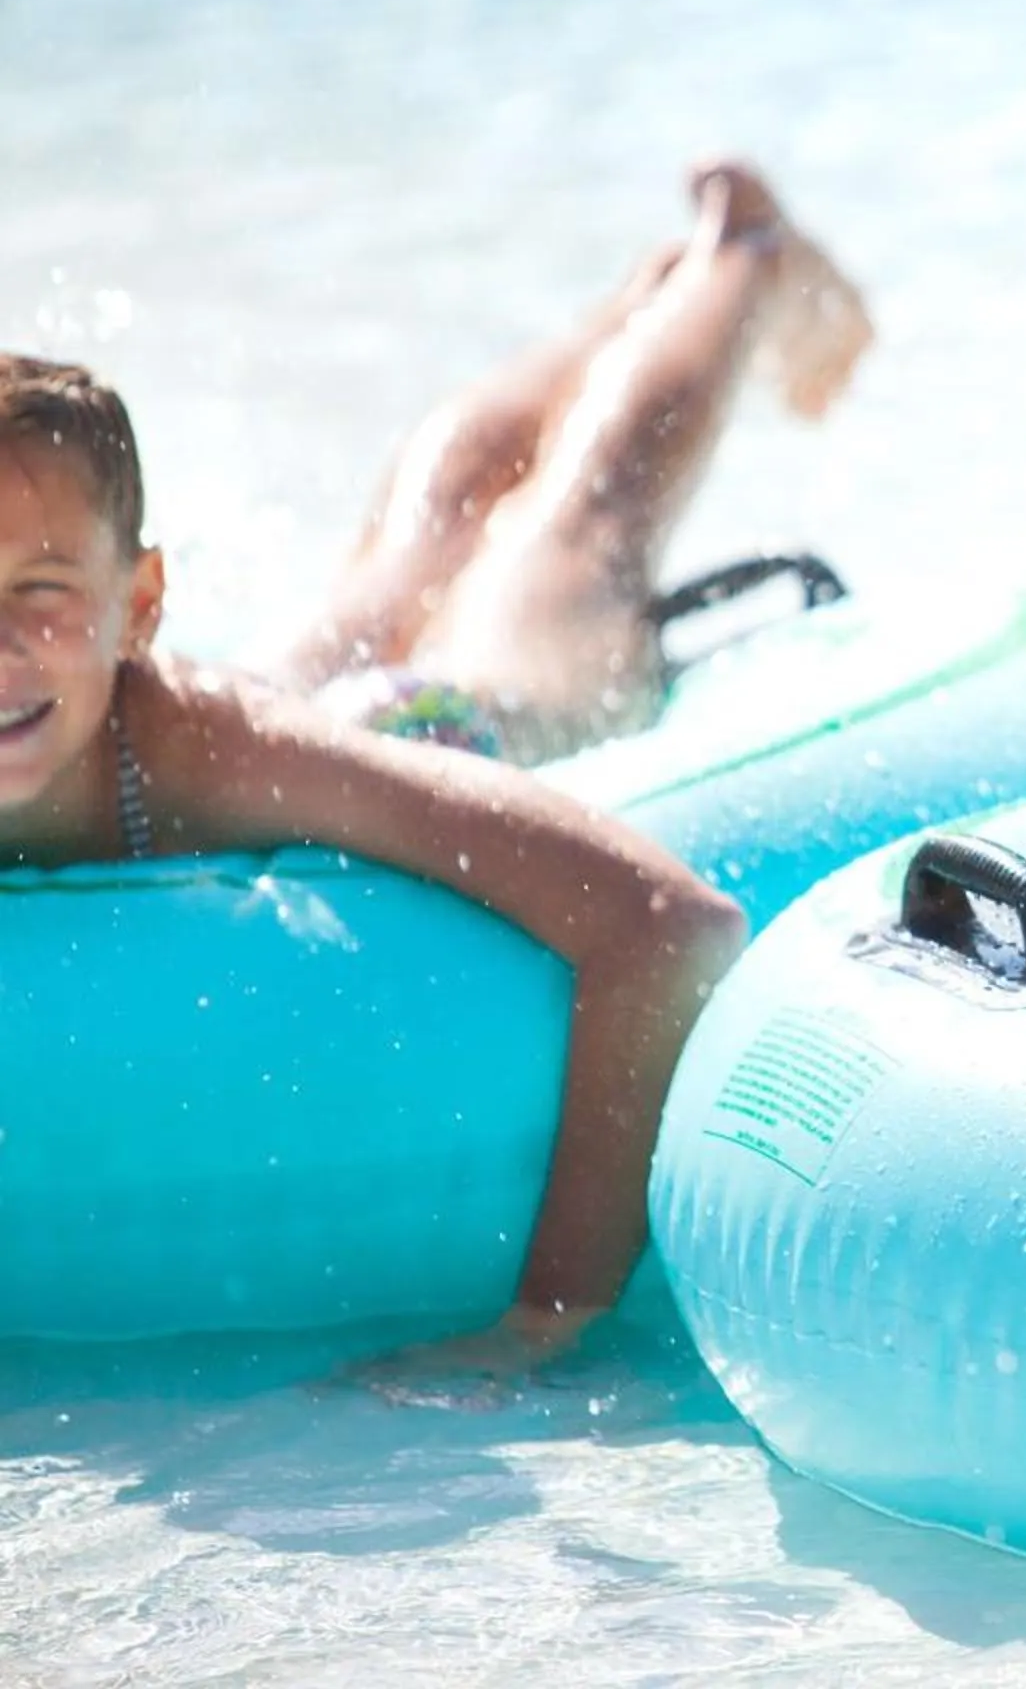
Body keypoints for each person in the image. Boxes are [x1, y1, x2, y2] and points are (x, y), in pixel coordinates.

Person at [0, 160, 871, 1377]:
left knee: (574, 524)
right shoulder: (86, 694)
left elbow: (667, 924)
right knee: (426, 526)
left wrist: (550, 1317)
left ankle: (743, 254)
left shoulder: (199, 739)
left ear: (137, 604)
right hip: (286, 707)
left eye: (40, 594)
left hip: (444, 721)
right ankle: (634, 301)